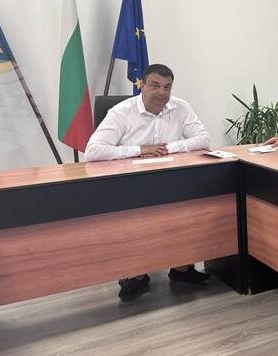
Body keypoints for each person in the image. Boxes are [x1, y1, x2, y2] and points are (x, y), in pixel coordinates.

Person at [85, 63, 212, 300]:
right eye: (155, 85)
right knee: (137, 216)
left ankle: (181, 268)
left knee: (191, 209)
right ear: (142, 85)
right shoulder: (121, 112)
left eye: (167, 87)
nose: (161, 92)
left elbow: (203, 138)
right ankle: (136, 275)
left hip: (170, 179)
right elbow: (93, 151)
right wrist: (140, 150)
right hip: (131, 182)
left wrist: (168, 148)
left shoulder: (180, 107)